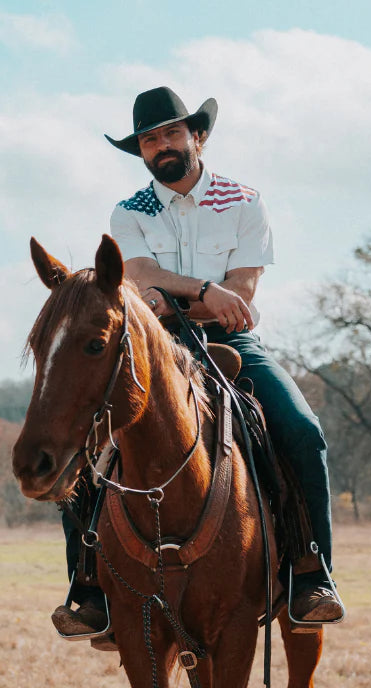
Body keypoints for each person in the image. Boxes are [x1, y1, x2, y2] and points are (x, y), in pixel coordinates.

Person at [53, 86, 344, 635]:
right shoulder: (129, 211)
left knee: (303, 431)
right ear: (140, 151)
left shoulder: (242, 201)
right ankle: (89, 588)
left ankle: (311, 572)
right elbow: (138, 281)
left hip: (230, 343)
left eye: (170, 133)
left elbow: (241, 295)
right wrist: (203, 290)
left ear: (197, 136)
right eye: (148, 139)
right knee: (88, 443)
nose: (160, 145)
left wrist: (182, 293)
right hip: (154, 345)